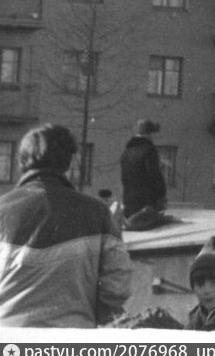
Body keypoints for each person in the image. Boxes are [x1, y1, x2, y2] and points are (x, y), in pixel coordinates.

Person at [0, 123, 132, 327]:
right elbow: (117, 284)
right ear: (69, 162)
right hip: (72, 336)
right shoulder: (98, 213)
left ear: (21, 162)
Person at [119, 118, 167, 219]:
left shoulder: (126, 152)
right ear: (149, 134)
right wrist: (161, 196)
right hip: (146, 205)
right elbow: (154, 177)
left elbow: (124, 178)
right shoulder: (149, 150)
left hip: (129, 204)